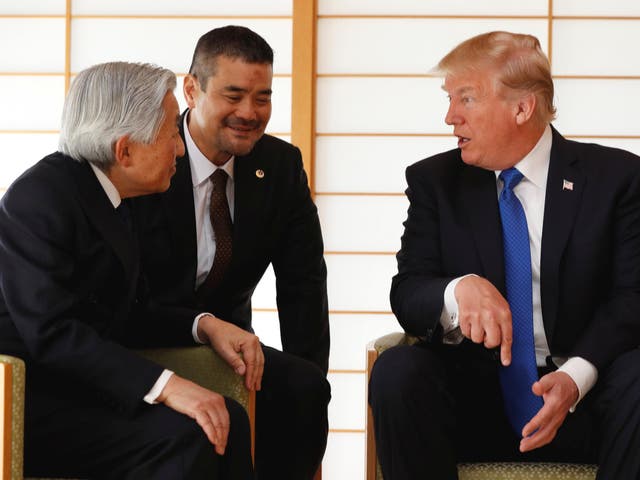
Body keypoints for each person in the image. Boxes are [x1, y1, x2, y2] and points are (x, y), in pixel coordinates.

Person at [368, 31, 640, 479]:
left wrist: (575, 377)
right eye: (450, 99)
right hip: (476, 399)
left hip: (586, 399)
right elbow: (409, 291)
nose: (450, 117)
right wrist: (457, 291)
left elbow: (633, 298)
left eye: (466, 99)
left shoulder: (616, 179)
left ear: (522, 108)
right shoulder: (436, 182)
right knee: (398, 371)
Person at [0, 62, 258, 479]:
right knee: (189, 434)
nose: (179, 148)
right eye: (171, 134)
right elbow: (52, 333)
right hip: (27, 397)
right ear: (125, 150)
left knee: (227, 417)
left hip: (86, 385)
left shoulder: (118, 193)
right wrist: (167, 385)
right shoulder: (39, 199)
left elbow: (130, 311)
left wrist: (205, 325)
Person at [130, 26, 330, 479]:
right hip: (143, 341)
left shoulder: (280, 166)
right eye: (234, 95)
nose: (249, 112)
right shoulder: (147, 155)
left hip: (232, 351)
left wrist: (310, 379)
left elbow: (304, 285)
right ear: (192, 89)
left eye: (263, 97)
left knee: (302, 389)